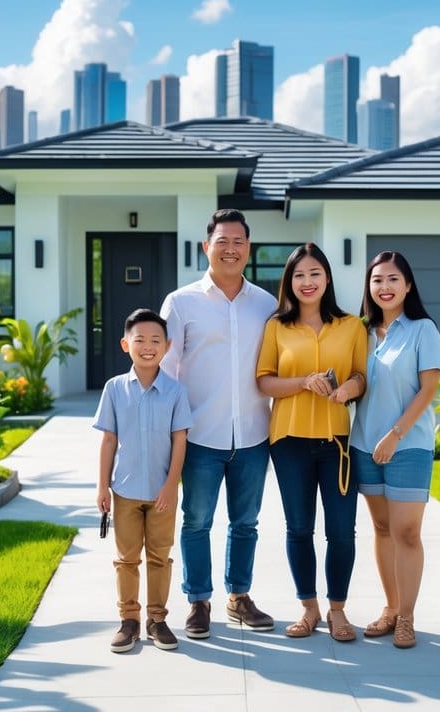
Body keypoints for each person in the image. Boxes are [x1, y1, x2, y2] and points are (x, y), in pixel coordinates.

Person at [160, 209, 277, 639]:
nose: (230, 249)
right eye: (222, 241)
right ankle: (198, 601)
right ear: (206, 246)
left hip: (252, 433)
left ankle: (239, 597)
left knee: (246, 522)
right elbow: (167, 374)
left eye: (239, 242)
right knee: (196, 520)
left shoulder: (266, 305)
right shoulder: (181, 302)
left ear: (248, 249)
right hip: (199, 436)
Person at [256, 243, 368, 642]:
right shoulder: (276, 327)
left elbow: (361, 376)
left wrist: (348, 390)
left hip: (336, 442)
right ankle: (309, 609)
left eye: (315, 273)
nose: (307, 282)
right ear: (289, 281)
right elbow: (264, 380)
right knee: (299, 528)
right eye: (299, 275)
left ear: (327, 278)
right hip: (288, 441)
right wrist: (303, 382)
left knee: (341, 531)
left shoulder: (352, 326)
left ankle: (338, 610)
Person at [350, 250, 440, 650]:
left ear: (407, 285)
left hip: (408, 445)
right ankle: (389, 609)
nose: (384, 287)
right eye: (377, 280)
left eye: (392, 279)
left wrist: (395, 435)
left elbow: (428, 389)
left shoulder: (423, 330)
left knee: (407, 531)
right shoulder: (361, 333)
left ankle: (406, 617)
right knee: (383, 529)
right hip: (364, 444)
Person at [95, 308, 191, 653]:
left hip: (163, 492)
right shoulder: (114, 389)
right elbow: (108, 441)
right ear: (125, 344)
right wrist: (102, 486)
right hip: (124, 491)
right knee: (126, 558)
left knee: (160, 557)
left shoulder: (176, 392)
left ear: (166, 346)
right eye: (140, 340)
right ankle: (129, 620)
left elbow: (180, 440)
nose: (147, 347)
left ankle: (157, 619)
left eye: (155, 341)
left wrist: (171, 484)